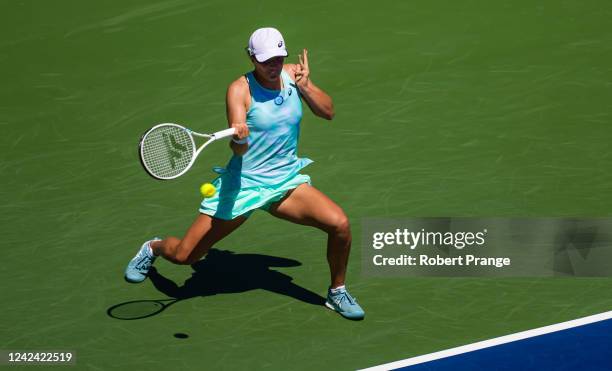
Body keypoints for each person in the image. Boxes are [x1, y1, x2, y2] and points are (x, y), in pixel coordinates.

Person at [125, 27, 364, 320]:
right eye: (266, 61)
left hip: (285, 182)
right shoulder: (239, 90)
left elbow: (328, 112)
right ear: (252, 58)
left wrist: (306, 86)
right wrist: (239, 137)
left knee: (340, 224)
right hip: (244, 185)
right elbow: (239, 150)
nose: (273, 66)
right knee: (185, 256)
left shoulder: (292, 75)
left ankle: (337, 292)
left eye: (278, 58)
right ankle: (153, 248)